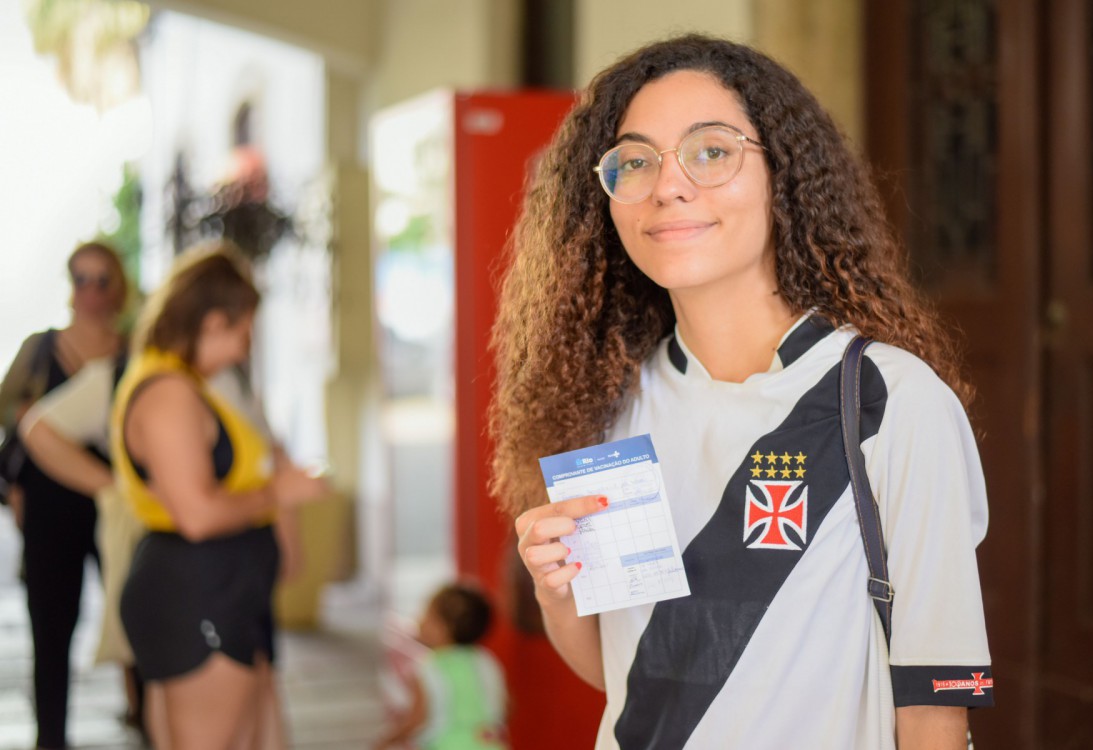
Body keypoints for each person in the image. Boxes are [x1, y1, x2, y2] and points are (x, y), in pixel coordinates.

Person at [491, 35, 993, 750]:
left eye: (711, 151)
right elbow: (630, 674)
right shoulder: (608, 406)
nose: (668, 185)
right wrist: (558, 590)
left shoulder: (886, 400)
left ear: (781, 175)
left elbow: (935, 706)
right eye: (635, 162)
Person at [109, 240, 326, 749]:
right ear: (211, 322)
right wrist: (280, 490)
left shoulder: (187, 384)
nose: (241, 350)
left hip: (218, 588)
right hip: (195, 591)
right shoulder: (167, 394)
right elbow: (198, 515)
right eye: (242, 333)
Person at [0, 241, 127, 750]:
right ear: (69, 285)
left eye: (101, 279)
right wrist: (13, 493)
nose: (91, 291)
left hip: (117, 503)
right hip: (52, 506)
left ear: (116, 286)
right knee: (53, 627)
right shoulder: (39, 350)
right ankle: (50, 736)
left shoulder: (134, 350)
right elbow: (10, 421)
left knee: (136, 605)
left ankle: (149, 715)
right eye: (81, 278)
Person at [374, 583, 508, 750]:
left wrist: (388, 739)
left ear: (444, 629)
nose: (420, 620)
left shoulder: (429, 667)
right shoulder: (485, 659)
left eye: (427, 615)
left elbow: (417, 718)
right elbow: (506, 704)